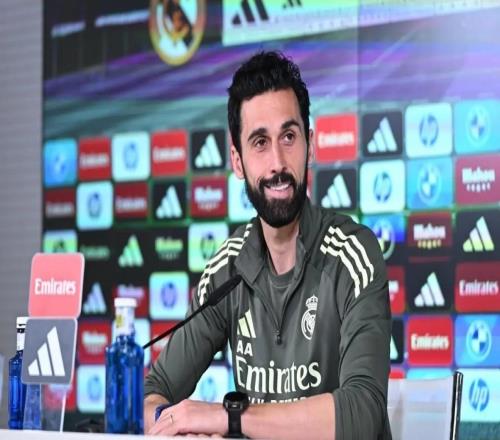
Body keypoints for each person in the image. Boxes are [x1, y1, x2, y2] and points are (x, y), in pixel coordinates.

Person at [144, 51, 392, 439]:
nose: (277, 162)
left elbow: (363, 413)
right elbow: (151, 393)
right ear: (237, 161)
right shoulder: (227, 269)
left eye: (288, 137)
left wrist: (229, 418)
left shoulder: (353, 254)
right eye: (260, 142)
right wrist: (175, 428)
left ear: (310, 144)